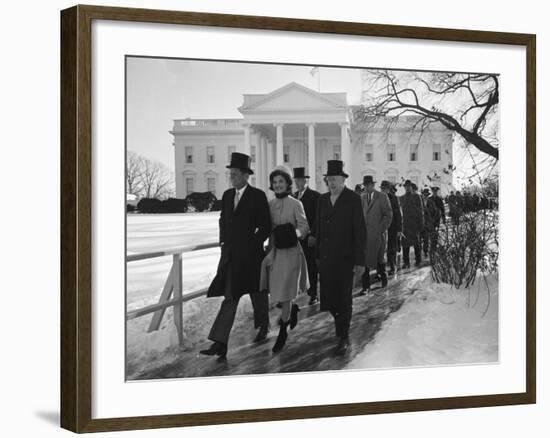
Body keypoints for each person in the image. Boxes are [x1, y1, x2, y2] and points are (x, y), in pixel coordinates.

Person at [200, 152, 271, 360]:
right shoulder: (228, 195)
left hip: (252, 258)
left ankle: (263, 326)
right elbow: (223, 220)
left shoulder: (257, 196)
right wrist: (223, 241)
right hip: (232, 258)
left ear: (245, 175)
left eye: (235, 174)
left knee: (258, 295)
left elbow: (265, 226)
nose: (231, 177)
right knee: (230, 298)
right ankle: (219, 342)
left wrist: (253, 244)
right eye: (230, 173)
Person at [316, 160, 366, 355]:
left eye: (335, 179)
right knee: (329, 300)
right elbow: (319, 228)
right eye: (329, 180)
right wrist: (317, 256)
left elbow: (360, 231)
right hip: (327, 259)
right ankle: (340, 325)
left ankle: (343, 336)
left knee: (344, 299)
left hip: (346, 260)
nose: (332, 183)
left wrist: (360, 260)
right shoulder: (322, 200)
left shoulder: (353, 199)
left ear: (343, 180)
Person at [260, 165, 310, 353]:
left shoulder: (296, 204)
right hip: (275, 253)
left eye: (281, 181)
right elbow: (266, 228)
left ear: (288, 183)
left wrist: (292, 235)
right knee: (278, 292)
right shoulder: (270, 205)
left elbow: (304, 228)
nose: (278, 185)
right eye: (275, 182)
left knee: (287, 292)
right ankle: (292, 311)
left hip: (291, 253)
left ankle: (283, 329)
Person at [292, 167, 321, 305]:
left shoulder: (315, 196)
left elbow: (317, 217)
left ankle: (314, 293)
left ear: (305, 180)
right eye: (296, 180)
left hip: (309, 238)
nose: (298, 183)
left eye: (300, 180)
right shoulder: (293, 196)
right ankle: (294, 292)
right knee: (295, 266)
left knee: (311, 265)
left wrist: (313, 235)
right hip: (297, 238)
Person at [359, 176, 393, 295]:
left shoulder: (382, 196)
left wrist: (380, 229)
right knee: (365, 262)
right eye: (365, 185)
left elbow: (388, 215)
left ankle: (384, 279)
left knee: (379, 260)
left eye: (369, 185)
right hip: (365, 236)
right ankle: (365, 287)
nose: (367, 187)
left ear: (373, 185)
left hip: (378, 235)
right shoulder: (362, 197)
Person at [399, 180, 424, 268]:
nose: (408, 188)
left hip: (414, 225)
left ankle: (418, 260)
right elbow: (400, 213)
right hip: (405, 225)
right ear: (404, 187)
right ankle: (406, 262)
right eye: (406, 186)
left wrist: (421, 224)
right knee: (405, 245)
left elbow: (421, 212)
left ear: (411, 187)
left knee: (416, 244)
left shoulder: (417, 197)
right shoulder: (401, 198)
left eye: (409, 186)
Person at [381, 181, 402, 276]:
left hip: (392, 227)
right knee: (381, 248)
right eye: (382, 188)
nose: (384, 190)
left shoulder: (394, 199)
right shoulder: (378, 198)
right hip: (382, 227)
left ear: (389, 189)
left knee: (392, 247)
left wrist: (399, 229)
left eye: (385, 188)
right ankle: (381, 270)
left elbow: (398, 214)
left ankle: (393, 267)